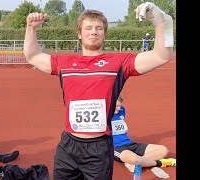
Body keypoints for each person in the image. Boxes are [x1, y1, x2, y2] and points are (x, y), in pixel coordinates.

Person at [23, 1, 174, 179]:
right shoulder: (65, 63)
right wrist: (31, 28)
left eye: (98, 28)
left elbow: (161, 55)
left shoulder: (118, 63)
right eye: (88, 28)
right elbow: (32, 55)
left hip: (99, 148)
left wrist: (161, 20)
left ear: (104, 34)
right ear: (79, 34)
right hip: (68, 146)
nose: (93, 31)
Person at [112, 95, 176, 172]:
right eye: (116, 106)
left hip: (130, 143)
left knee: (163, 150)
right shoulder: (105, 115)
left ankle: (134, 163)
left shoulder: (122, 110)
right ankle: (160, 163)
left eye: (120, 105)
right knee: (134, 158)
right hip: (116, 147)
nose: (119, 108)